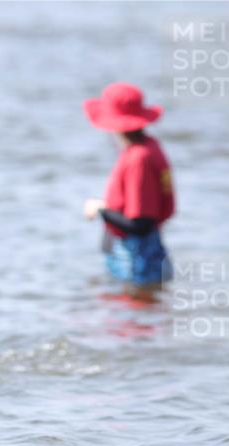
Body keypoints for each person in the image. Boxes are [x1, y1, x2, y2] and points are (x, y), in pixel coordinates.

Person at [82, 82, 175, 299]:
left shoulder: (138, 159)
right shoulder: (151, 147)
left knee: (131, 319)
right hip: (148, 251)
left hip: (136, 257)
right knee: (143, 310)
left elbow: (140, 224)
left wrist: (100, 210)